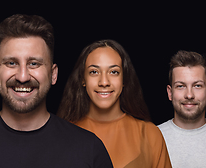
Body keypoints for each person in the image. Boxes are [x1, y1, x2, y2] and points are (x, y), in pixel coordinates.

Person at [0, 14, 112, 168]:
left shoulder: (90, 150)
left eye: (34, 63)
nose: (23, 76)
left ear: (53, 74)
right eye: (11, 63)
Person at [58, 40, 172, 168]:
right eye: (94, 72)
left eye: (114, 72)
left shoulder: (149, 134)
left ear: (124, 80)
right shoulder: (63, 135)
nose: (104, 82)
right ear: (83, 79)